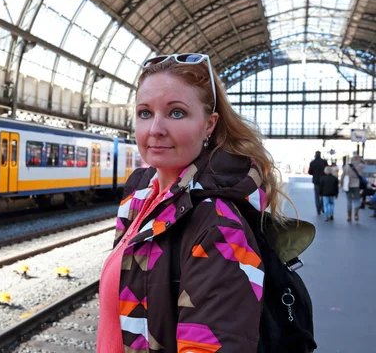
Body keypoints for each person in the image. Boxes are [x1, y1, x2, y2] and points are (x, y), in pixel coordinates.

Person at [97, 53, 292, 352]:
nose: (155, 129)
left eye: (176, 113)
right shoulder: (141, 199)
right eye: (145, 113)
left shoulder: (219, 225)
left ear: (209, 125)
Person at [341, 152, 365, 222]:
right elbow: (365, 164)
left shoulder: (346, 166)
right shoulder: (360, 166)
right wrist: (361, 159)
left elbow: (343, 176)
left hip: (348, 185)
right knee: (357, 200)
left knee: (349, 201)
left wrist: (341, 184)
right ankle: (356, 215)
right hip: (357, 185)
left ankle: (349, 216)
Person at [308, 151, 328, 215]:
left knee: (316, 196)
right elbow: (327, 170)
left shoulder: (312, 162)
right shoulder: (324, 162)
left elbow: (310, 172)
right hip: (323, 181)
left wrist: (314, 173)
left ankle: (318, 209)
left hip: (316, 181)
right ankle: (322, 206)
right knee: (323, 195)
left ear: (315, 155)